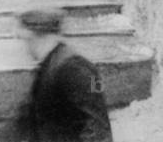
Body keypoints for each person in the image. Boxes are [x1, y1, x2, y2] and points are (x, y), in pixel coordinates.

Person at [17, 9, 113, 142]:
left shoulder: (76, 68)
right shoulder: (47, 68)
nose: (25, 48)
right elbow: (25, 122)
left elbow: (98, 128)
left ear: (34, 36)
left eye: (25, 40)